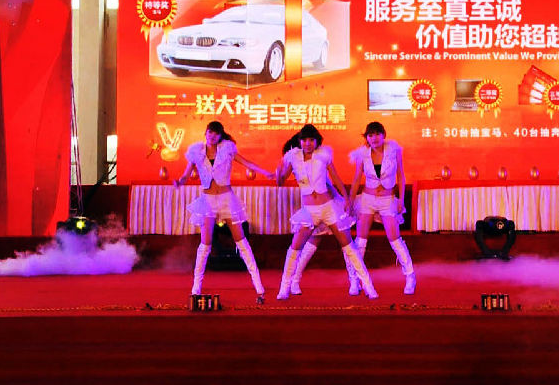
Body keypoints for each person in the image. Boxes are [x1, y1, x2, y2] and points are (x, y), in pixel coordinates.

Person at [173, 121, 274, 301]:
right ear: (205, 133)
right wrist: (179, 182)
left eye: (216, 133)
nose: (212, 136)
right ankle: (196, 288)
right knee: (205, 244)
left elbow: (247, 163)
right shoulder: (196, 152)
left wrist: (265, 172)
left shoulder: (227, 150)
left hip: (227, 200)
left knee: (241, 242)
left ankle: (259, 288)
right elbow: (186, 175)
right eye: (210, 132)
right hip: (207, 201)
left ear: (220, 136)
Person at [275, 124, 377, 300]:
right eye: (304, 140)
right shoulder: (293, 157)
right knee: (295, 247)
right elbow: (281, 180)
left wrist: (347, 199)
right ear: (300, 141)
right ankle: (285, 287)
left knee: (349, 246)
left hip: (328, 207)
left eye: (311, 140)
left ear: (317, 141)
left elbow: (336, 178)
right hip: (309, 210)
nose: (308, 143)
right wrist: (278, 173)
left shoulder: (323, 156)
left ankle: (367, 285)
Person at [349, 121, 416, 294]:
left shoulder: (394, 150)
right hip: (367, 199)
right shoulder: (362, 154)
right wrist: (349, 201)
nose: (374, 138)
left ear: (383, 135)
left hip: (387, 199)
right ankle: (355, 280)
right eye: (370, 135)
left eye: (377, 134)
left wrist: (401, 199)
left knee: (395, 239)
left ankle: (410, 276)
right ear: (366, 138)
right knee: (360, 241)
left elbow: (401, 175)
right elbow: (356, 179)